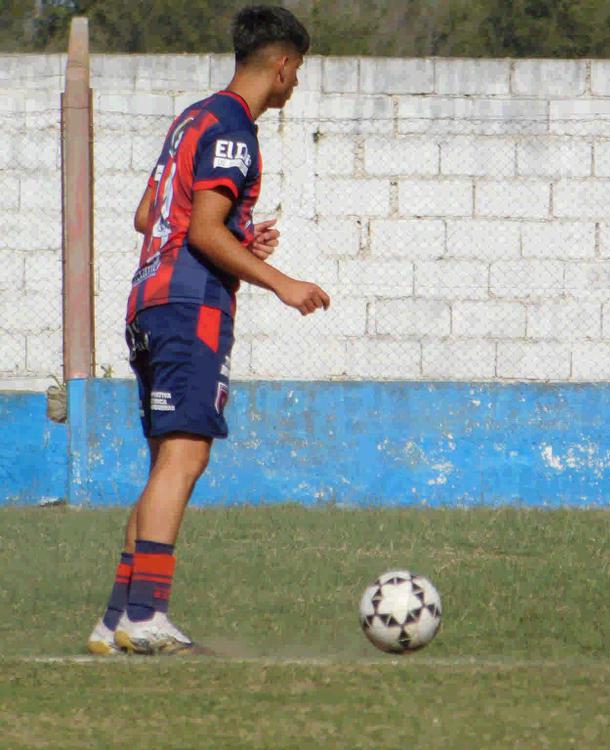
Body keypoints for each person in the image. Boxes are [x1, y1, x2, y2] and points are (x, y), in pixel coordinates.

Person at [86, 5, 330, 655]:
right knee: (187, 457)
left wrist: (240, 236)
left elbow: (151, 216)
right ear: (281, 66)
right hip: (190, 307)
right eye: (297, 71)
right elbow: (200, 231)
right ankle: (146, 615)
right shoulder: (233, 129)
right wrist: (281, 282)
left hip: (147, 300)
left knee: (166, 462)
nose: (295, 84)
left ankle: (115, 622)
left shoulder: (192, 118)